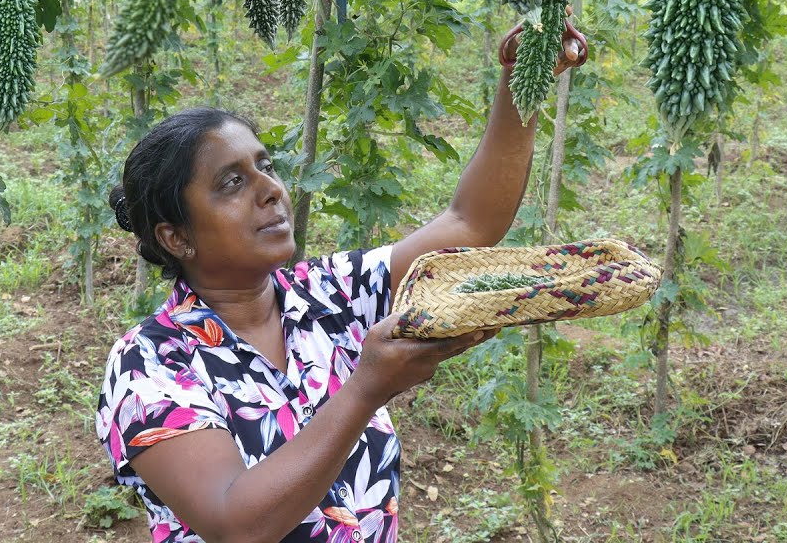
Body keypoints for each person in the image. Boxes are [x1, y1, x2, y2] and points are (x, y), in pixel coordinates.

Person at [96, 32, 585, 543]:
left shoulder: (329, 293)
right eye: (232, 183)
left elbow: (470, 222)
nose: (271, 190)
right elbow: (236, 523)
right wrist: (365, 390)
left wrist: (520, 82)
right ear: (176, 237)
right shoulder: (150, 364)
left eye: (266, 166)